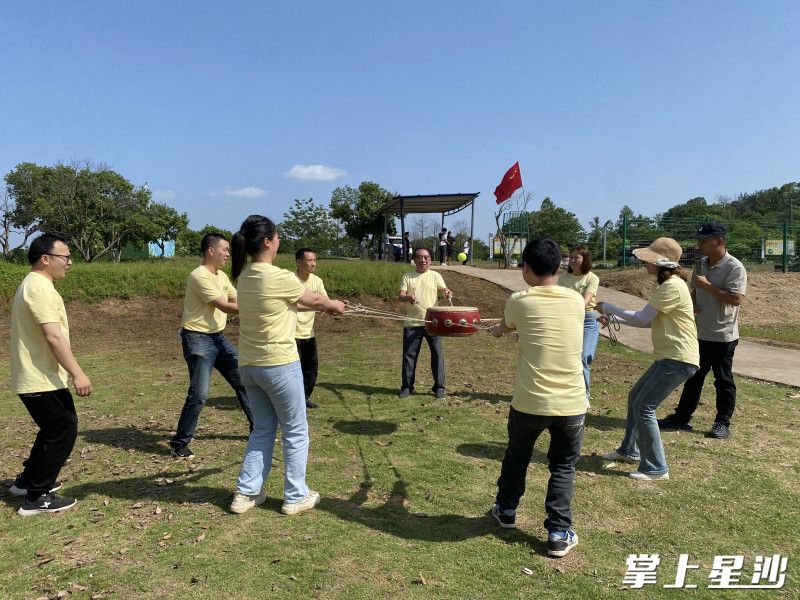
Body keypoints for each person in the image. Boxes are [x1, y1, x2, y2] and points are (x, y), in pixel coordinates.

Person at [229, 215, 345, 515]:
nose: (280, 240)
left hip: (249, 366)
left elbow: (293, 302)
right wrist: (334, 305)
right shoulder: (279, 276)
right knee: (295, 429)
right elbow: (316, 300)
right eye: (277, 236)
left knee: (263, 429)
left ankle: (246, 493)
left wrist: (324, 304)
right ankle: (295, 495)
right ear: (267, 241)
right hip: (279, 363)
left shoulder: (244, 277)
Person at [489, 238, 586, 558]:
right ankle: (558, 532)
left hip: (530, 401)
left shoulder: (519, 300)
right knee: (563, 465)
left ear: (527, 268)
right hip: (571, 402)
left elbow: (505, 327)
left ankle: (505, 510)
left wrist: (498, 331)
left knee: (517, 455)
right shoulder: (575, 300)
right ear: (558, 266)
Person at [598, 238, 699, 481]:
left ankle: (656, 468)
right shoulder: (670, 285)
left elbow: (643, 318)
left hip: (678, 357)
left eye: (649, 258)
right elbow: (650, 319)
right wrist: (612, 319)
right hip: (671, 356)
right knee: (636, 398)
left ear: (662, 262)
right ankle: (629, 450)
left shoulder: (672, 286)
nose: (644, 262)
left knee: (645, 407)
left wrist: (608, 307)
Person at [9, 233, 92, 516]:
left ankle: (27, 481)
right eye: (65, 257)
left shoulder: (35, 284)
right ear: (46, 259)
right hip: (39, 376)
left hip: (40, 375)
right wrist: (78, 373)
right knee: (63, 429)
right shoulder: (39, 288)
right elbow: (53, 337)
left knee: (53, 428)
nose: (69, 263)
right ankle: (37, 497)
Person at [658, 222, 747, 439]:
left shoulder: (735, 267)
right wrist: (693, 302)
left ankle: (722, 423)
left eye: (704, 240)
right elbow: (695, 289)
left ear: (719, 241)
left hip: (722, 335)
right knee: (694, 377)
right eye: (699, 240)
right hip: (699, 332)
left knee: (723, 380)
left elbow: (736, 299)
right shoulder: (700, 263)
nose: (699, 245)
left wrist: (707, 285)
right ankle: (682, 418)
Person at [170, 233, 253, 459]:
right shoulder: (199, 276)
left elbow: (236, 299)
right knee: (200, 394)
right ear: (210, 251)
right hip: (198, 339)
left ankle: (258, 429)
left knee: (243, 380)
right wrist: (255, 308)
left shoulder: (222, 276)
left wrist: (242, 304)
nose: (228, 253)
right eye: (224, 249)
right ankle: (180, 443)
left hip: (218, 338)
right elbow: (225, 305)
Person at [398, 248, 452, 399]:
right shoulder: (408, 276)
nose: (423, 260)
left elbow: (444, 290)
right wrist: (408, 297)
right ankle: (407, 387)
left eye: (426, 257)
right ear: (414, 259)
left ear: (430, 260)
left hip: (433, 323)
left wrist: (447, 292)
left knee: (437, 355)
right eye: (420, 257)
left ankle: (439, 387)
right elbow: (401, 295)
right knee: (409, 356)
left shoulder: (435, 275)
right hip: (412, 323)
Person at [558, 245, 600, 405]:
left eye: (577, 257)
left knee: (584, 357)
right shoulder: (563, 278)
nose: (573, 260)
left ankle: (584, 395)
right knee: (567, 357)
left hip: (587, 319)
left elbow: (586, 301)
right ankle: (568, 391)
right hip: (568, 320)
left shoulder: (592, 278)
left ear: (585, 259)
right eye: (571, 257)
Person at [294, 247, 327, 409]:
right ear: (299, 262)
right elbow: (294, 304)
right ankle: (293, 400)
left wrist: (334, 306)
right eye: (309, 260)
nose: (313, 264)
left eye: (314, 260)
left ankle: (304, 398)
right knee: (293, 370)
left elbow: (324, 300)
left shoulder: (317, 281)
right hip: (290, 332)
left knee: (311, 368)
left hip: (308, 332)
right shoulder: (290, 280)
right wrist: (315, 306)